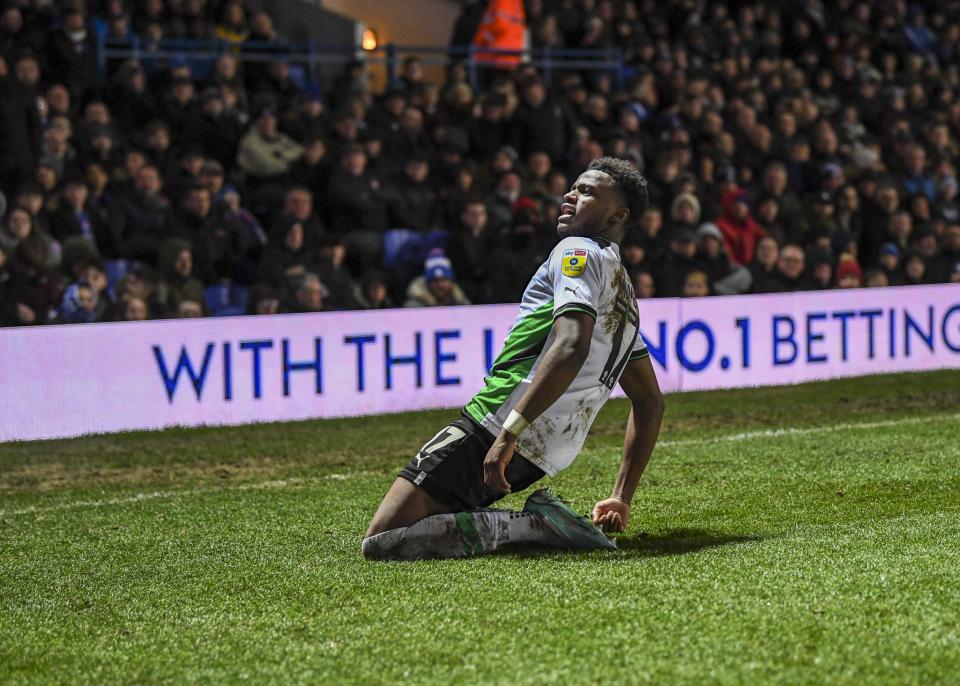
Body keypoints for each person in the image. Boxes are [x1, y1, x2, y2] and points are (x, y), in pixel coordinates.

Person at [363, 157, 664, 560]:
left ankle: (536, 525)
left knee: (385, 538)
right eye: (574, 187)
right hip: (550, 450)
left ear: (619, 214)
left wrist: (508, 434)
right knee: (439, 514)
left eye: (588, 191)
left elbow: (571, 346)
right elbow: (650, 402)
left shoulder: (577, 252)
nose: (570, 196)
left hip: (499, 421)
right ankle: (539, 522)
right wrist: (620, 496)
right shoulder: (622, 287)